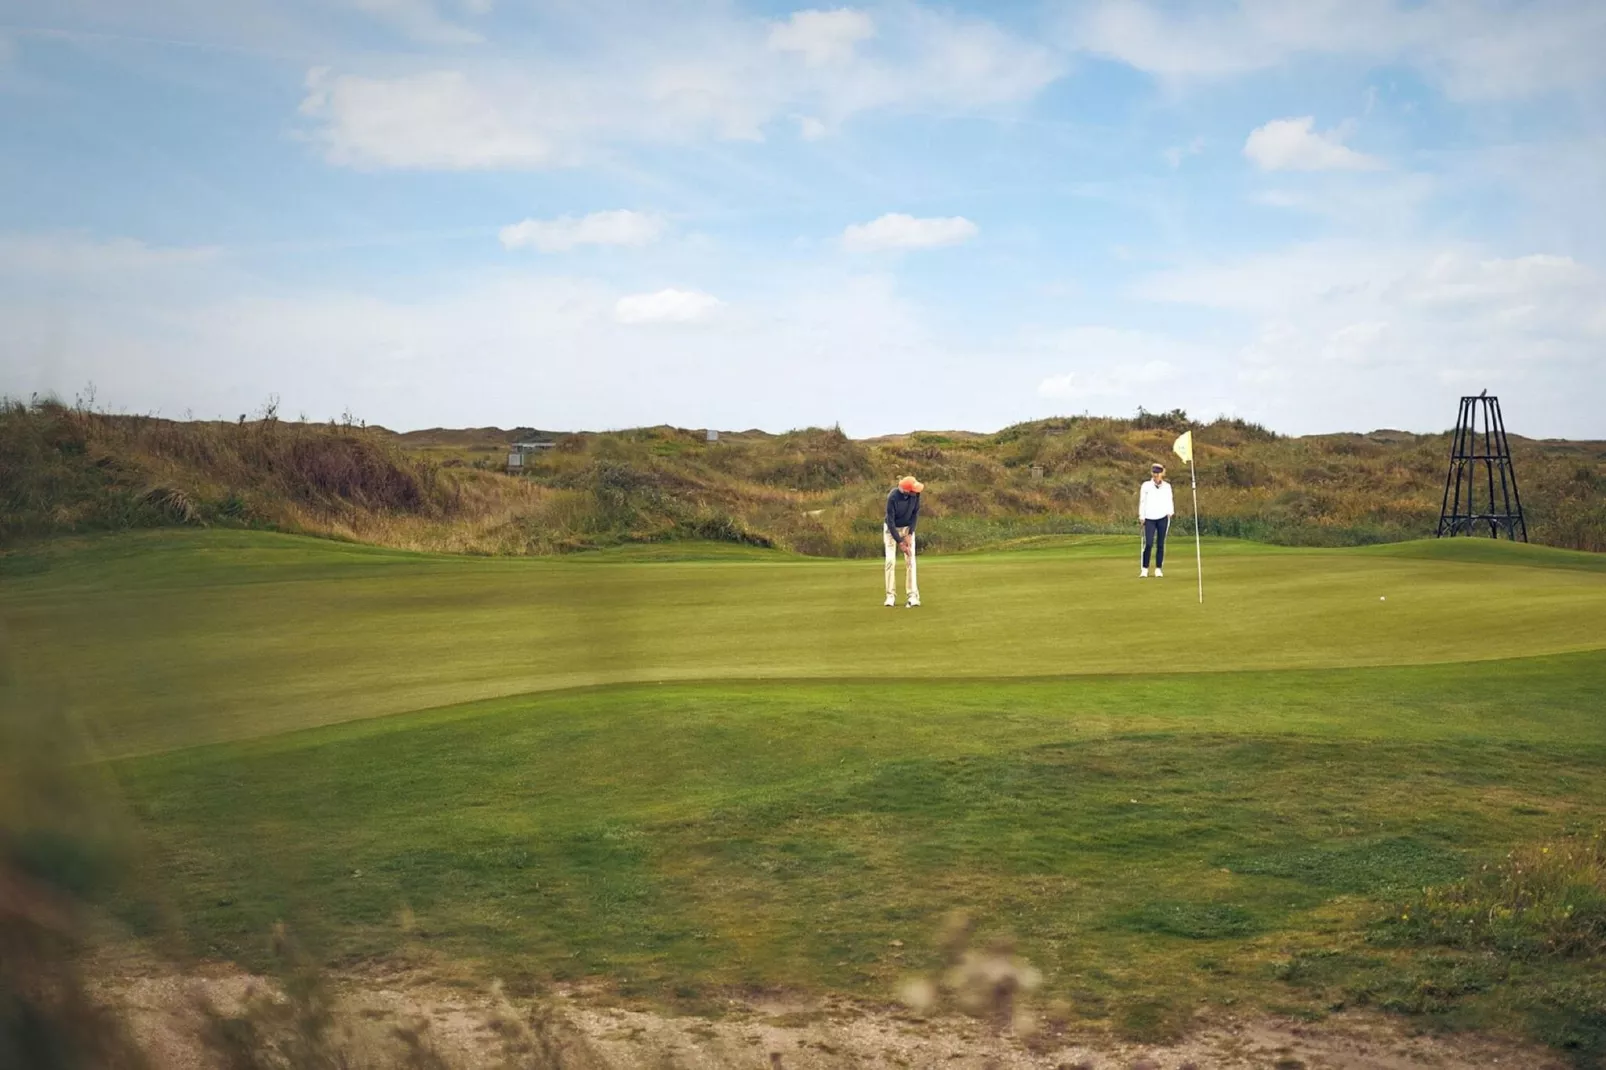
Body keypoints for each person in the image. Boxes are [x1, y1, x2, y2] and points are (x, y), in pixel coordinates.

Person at [884, 475, 923, 607]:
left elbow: (915, 514)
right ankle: (890, 596)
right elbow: (890, 522)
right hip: (891, 530)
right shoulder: (893, 497)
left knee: (910, 560)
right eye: (913, 489)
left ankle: (913, 595)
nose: (916, 491)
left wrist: (910, 533)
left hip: (907, 528)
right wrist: (900, 542)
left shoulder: (916, 495)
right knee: (890, 561)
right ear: (906, 491)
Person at [1138, 462, 1174, 578]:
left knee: (1160, 543)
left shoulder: (1167, 486)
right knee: (1148, 543)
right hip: (1149, 518)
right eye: (1154, 473)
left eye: (1158, 473)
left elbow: (1170, 500)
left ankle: (1158, 568)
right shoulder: (1146, 485)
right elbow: (1142, 501)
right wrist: (1141, 516)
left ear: (1162, 473)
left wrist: (1170, 512)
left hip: (1163, 517)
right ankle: (1145, 569)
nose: (1156, 475)